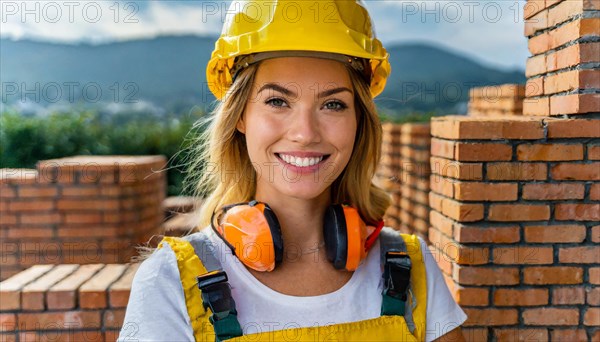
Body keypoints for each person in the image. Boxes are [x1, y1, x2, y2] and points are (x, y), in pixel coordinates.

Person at [119, 1, 467, 341]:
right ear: (240, 117)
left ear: (359, 122)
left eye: (333, 104)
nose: (305, 133)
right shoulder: (171, 282)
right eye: (277, 101)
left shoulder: (411, 267)